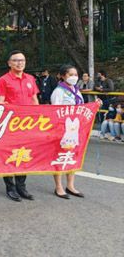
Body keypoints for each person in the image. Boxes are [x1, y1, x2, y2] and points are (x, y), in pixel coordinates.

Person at [0, 50, 39, 202]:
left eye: (22, 60)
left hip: (27, 124)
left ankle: (22, 186)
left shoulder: (31, 79)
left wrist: (36, 119)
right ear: (9, 63)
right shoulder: (3, 80)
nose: (19, 63)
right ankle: (10, 187)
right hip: (10, 125)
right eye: (16, 60)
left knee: (24, 154)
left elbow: (34, 100)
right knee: (9, 155)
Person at [50, 64, 86, 199]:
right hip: (62, 130)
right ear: (63, 76)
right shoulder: (58, 91)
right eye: (70, 74)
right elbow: (55, 112)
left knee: (73, 156)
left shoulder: (77, 90)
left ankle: (70, 185)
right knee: (60, 156)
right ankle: (58, 186)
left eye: (76, 75)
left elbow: (82, 107)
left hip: (76, 129)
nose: (74, 77)